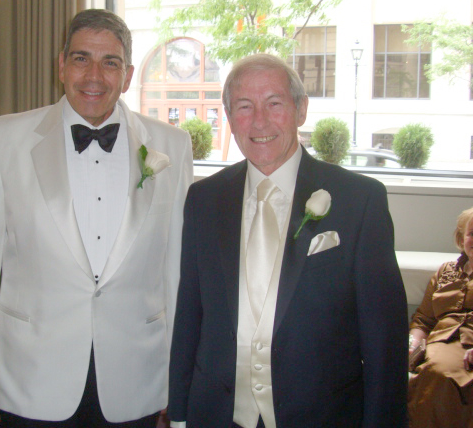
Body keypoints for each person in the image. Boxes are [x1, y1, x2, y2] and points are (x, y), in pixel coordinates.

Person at [0, 9, 193, 428]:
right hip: (29, 379)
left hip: (137, 379)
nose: (94, 76)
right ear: (61, 65)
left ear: (128, 75)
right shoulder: (3, 139)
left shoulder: (172, 145)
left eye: (110, 63)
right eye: (82, 58)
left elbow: (176, 273)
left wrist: (177, 380)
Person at [167, 53, 408, 428]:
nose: (259, 120)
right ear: (228, 117)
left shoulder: (360, 200)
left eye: (274, 103)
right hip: (216, 414)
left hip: (322, 416)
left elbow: (384, 340)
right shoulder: (204, 199)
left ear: (301, 110)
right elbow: (189, 314)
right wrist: (179, 414)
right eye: (244, 106)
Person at [408, 207, 473, 428]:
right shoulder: (445, 271)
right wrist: (413, 344)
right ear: (462, 238)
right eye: (472, 234)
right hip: (439, 341)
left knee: (439, 373)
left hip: (467, 346)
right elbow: (424, 319)